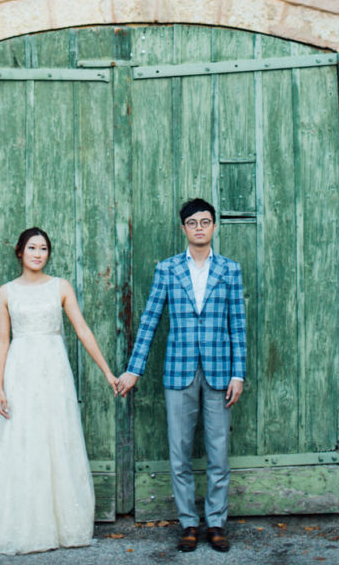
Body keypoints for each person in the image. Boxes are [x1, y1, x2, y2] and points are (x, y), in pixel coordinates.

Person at [0, 227, 117, 555]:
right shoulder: (5, 292)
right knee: (21, 438)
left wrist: (107, 371)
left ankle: (61, 524)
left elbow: (82, 329)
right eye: (32, 247)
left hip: (54, 370)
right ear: (20, 251)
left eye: (43, 248)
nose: (38, 254)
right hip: (21, 369)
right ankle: (20, 520)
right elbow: (4, 339)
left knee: (56, 436)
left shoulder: (60, 287)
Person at [116, 199, 246, 554]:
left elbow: (238, 325)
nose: (200, 227)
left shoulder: (230, 270)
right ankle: (189, 523)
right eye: (193, 222)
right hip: (178, 370)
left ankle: (216, 523)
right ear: (184, 228)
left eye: (206, 221)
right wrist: (134, 369)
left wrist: (239, 373)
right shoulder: (168, 269)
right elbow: (149, 320)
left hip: (220, 373)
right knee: (180, 453)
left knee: (218, 452)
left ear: (215, 227)